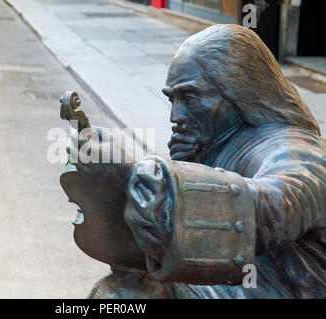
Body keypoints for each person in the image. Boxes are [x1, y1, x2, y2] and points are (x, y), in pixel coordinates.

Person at [66, 24, 325, 298]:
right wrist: (113, 183)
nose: (175, 116)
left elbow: (276, 210)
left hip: (272, 291)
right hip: (232, 283)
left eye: (189, 97)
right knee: (125, 288)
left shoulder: (296, 150)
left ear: (238, 91)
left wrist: (132, 174)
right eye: (172, 99)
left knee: (127, 296)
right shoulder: (218, 139)